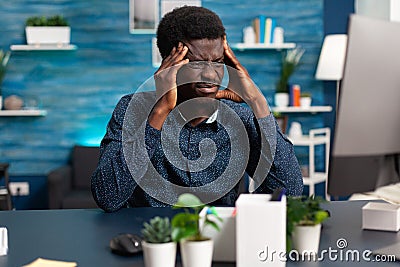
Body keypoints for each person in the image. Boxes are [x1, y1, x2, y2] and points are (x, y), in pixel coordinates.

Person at [91, 6, 303, 212]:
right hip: (150, 240)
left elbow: (291, 192)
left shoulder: (241, 118)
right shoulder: (133, 110)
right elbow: (107, 197)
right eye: (197, 64)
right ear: (169, 65)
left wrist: (257, 101)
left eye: (219, 63)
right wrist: (160, 112)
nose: (211, 75)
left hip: (218, 240)